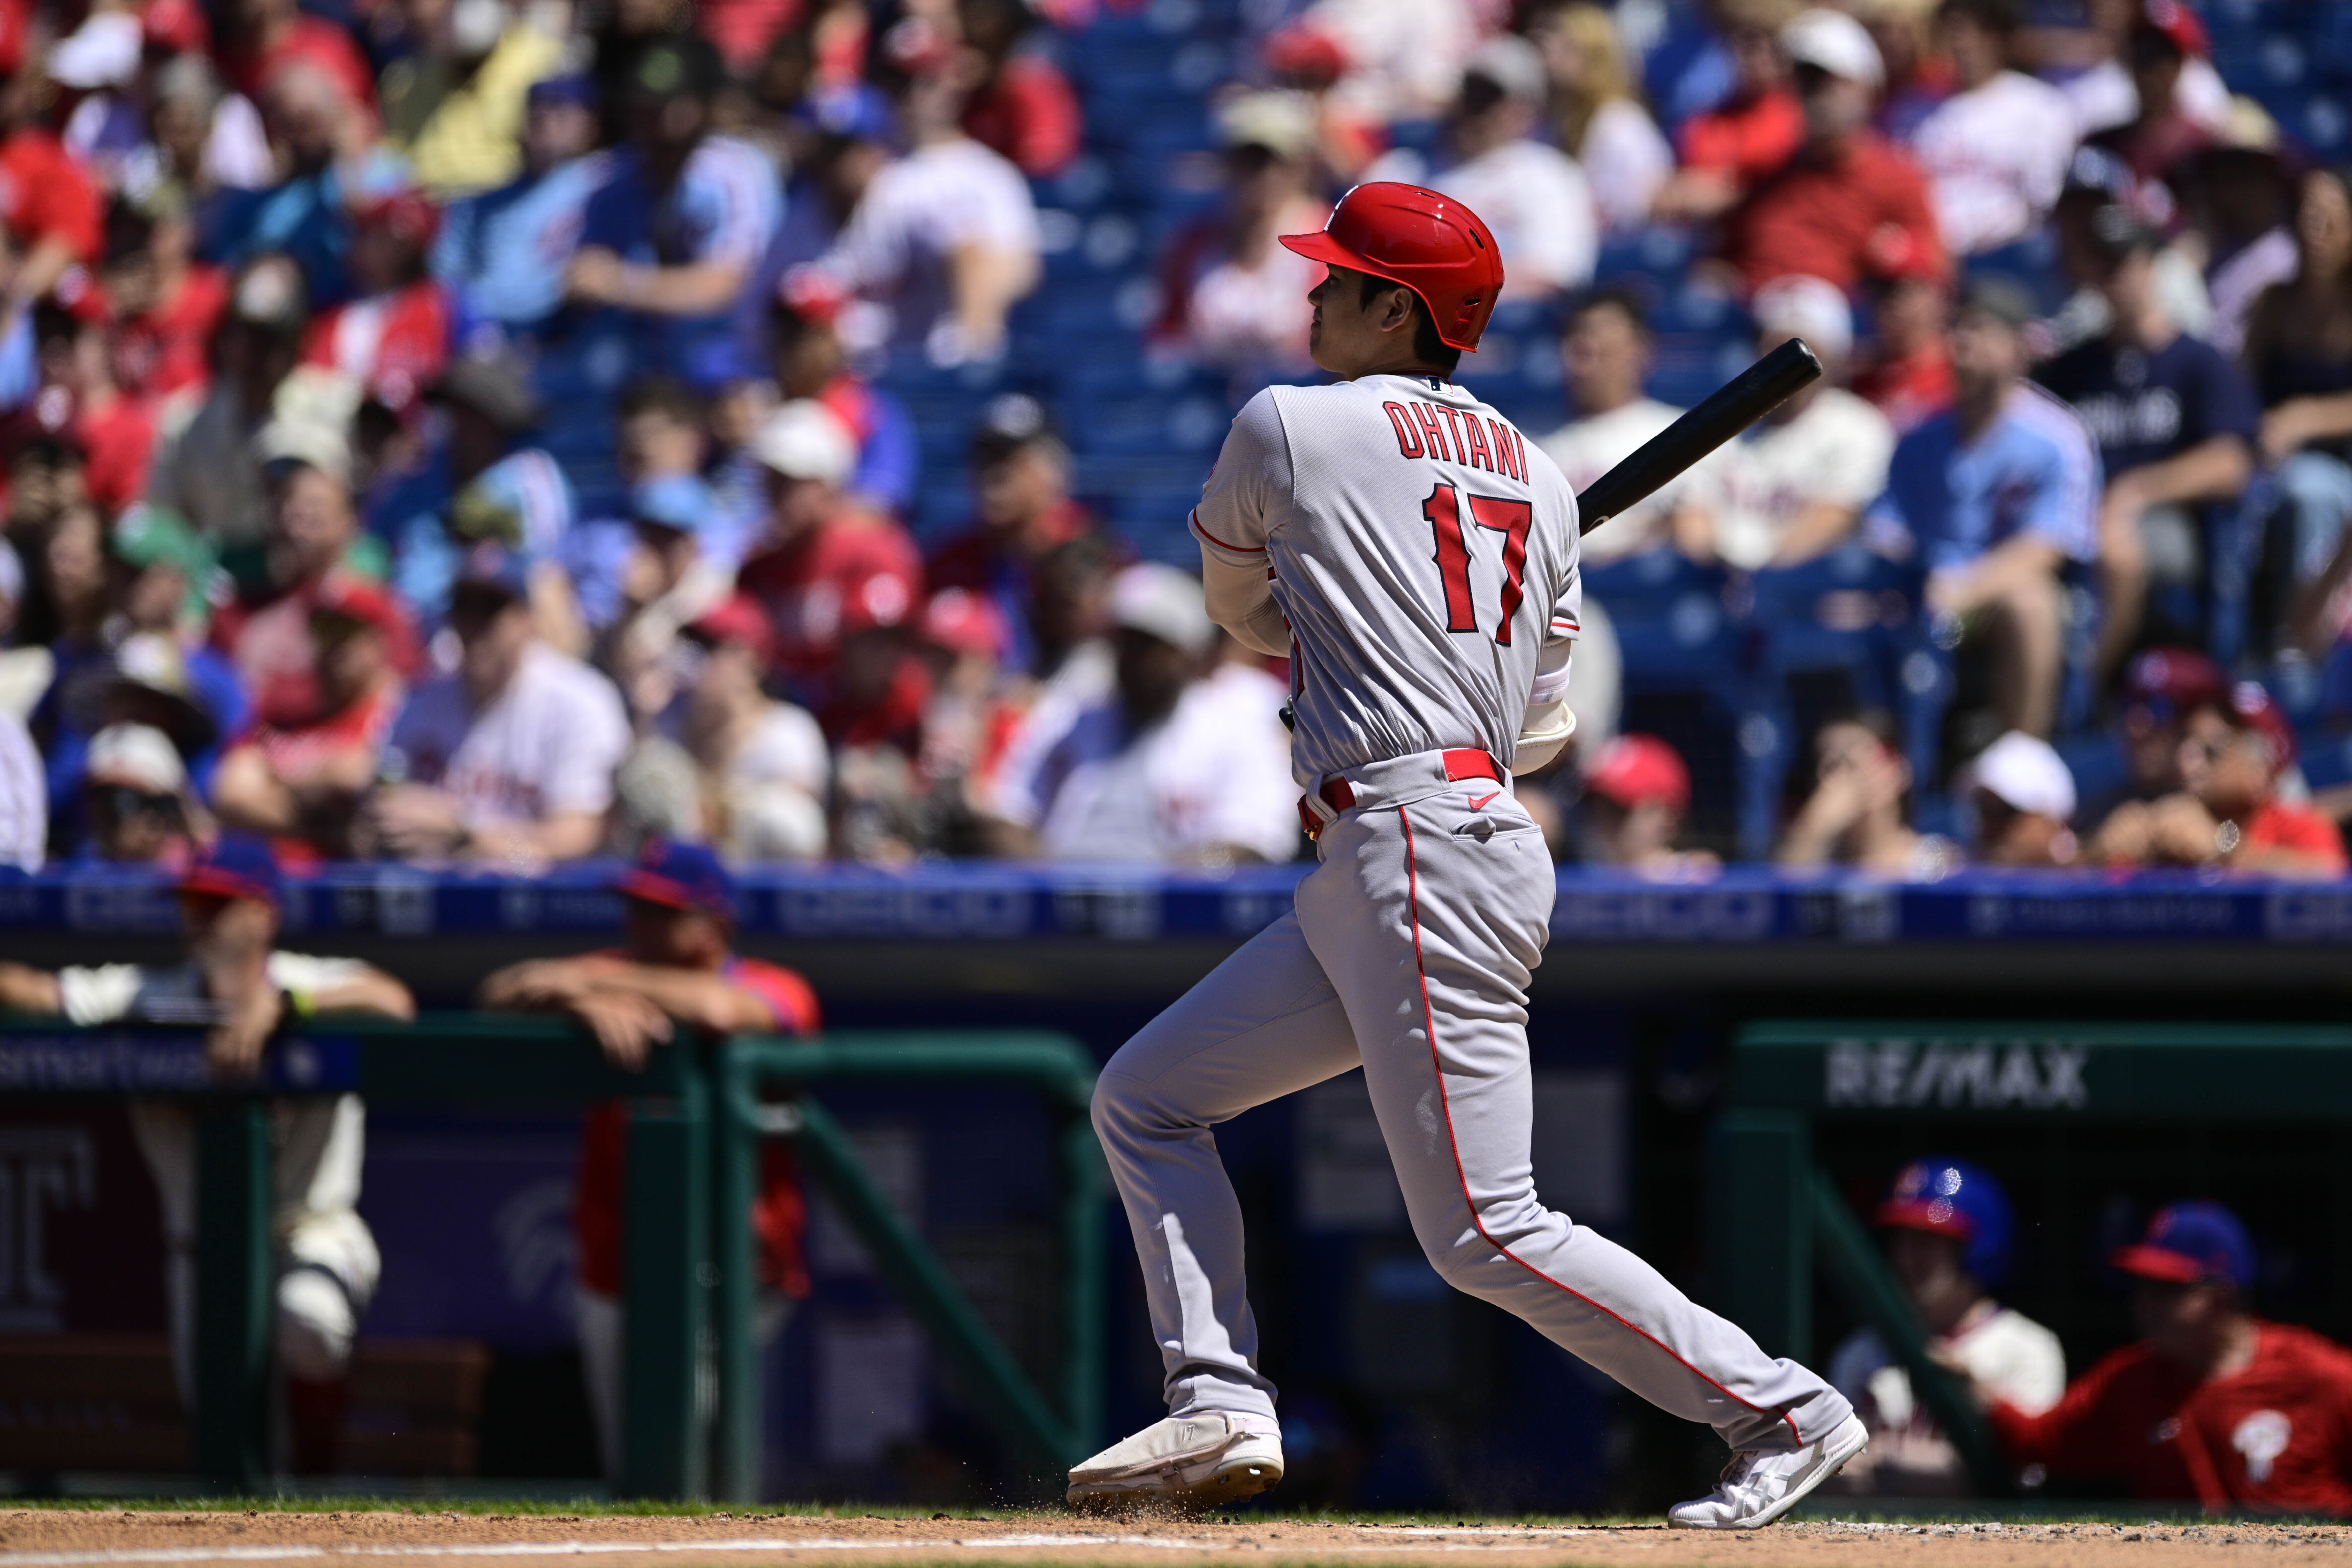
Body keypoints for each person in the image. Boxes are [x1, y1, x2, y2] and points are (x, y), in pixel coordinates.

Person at [1074, 180, 1867, 1525]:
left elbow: (1244, 613)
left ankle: (1780, 1405)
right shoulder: (1538, 477)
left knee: (1486, 1228)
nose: (1316, 295)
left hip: (1418, 841)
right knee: (1147, 1097)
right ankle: (1216, 1399)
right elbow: (1543, 727)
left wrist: (1354, 629)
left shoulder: (1289, 423)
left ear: (1403, 306)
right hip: (1412, 839)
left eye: (1341, 279)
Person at [0, 835, 415, 1474]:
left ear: (263, 914)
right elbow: (37, 995)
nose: (198, 916)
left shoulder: (305, 980)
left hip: (308, 1232)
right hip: (201, 1252)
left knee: (309, 1320)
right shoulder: (144, 991)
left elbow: (395, 1000)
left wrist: (283, 1006)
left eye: (217, 903)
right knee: (235, 1459)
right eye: (191, 901)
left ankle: (321, 1447)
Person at [478, 839, 817, 1483]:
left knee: (713, 1457)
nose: (639, 924)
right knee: (636, 1466)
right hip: (617, 1260)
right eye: (634, 907)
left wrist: (591, 980)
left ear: (714, 922)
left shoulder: (772, 984)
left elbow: (722, 1010)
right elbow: (500, 990)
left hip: (740, 1266)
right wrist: (575, 1001)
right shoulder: (605, 972)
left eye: (661, 911)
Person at [1982, 1201, 2352, 1513]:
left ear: (2221, 1298)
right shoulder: (2130, 1378)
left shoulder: (2318, 1374)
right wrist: (1972, 1388)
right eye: (2142, 1286)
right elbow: (2036, 1443)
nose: (2145, 1304)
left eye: (2167, 1289)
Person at [1866, 277, 2100, 739]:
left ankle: (2023, 759)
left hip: (1995, 592)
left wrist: (1963, 590)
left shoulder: (2057, 434)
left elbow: (2048, 546)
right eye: (1955, 329)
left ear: (2019, 346)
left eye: (1979, 329)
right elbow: (1885, 532)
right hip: (1921, 590)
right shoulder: (1919, 435)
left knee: (2030, 601)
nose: (1962, 342)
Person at [2037, 206, 2258, 676]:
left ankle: (2089, 688)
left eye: (2124, 262)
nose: (2113, 276)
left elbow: (2231, 464)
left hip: (2165, 518)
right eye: (2102, 264)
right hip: (2074, 519)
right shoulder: (2072, 371)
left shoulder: (2196, 360)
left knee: (2118, 550)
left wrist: (2137, 490)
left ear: (2153, 267)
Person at [984, 564, 1297, 866]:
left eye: (1148, 645)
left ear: (1187, 654)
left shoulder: (1232, 725)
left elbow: (1257, 835)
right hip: (1066, 890)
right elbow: (1007, 810)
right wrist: (1048, 883)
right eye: (1123, 641)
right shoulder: (1068, 715)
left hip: (1181, 908)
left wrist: (1160, 889)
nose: (1131, 656)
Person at [366, 541, 630, 866]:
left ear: (527, 621)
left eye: (490, 611)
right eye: (464, 608)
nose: (476, 626)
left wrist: (470, 836)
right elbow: (379, 805)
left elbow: (575, 841)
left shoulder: (579, 702)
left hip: (538, 904)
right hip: (431, 899)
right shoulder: (416, 702)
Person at [1828, 1158, 2062, 1495]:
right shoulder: (1860, 1349)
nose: (1908, 1257)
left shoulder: (2029, 1347)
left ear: (1979, 1248)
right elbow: (1827, 1469)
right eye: (1901, 1240)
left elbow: (2030, 1474)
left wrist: (1887, 1464)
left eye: (1927, 1241)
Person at [811, 30, 1040, 365]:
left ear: (951, 84)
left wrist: (970, 343)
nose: (909, 95)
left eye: (925, 81)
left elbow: (1017, 271)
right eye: (897, 82)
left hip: (932, 361)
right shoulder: (860, 159)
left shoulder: (986, 175)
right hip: (855, 362)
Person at [566, 35, 778, 393]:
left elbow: (726, 284)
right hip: (638, 354)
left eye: (668, 105)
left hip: (733, 355)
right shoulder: (614, 175)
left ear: (702, 105)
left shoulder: (734, 171)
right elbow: (582, 270)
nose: (652, 117)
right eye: (643, 104)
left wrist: (621, 282)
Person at [1717, 10, 1945, 296]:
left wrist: (1896, 257)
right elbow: (1725, 256)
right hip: (1757, 323)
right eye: (1802, 81)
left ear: (1865, 88)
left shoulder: (1896, 179)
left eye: (1824, 81)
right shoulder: (1769, 175)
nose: (1812, 94)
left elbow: (1934, 272)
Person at [1684, 275, 1896, 568]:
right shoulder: (1720, 422)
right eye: (1776, 349)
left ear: (1831, 356)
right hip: (1718, 581)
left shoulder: (1859, 426)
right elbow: (1692, 520)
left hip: (1809, 588)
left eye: (1801, 353)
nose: (1787, 368)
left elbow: (1834, 519)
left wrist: (1755, 576)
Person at [1364, 35, 1596, 301]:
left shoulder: (1550, 176)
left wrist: (1446, 288)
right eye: (1470, 93)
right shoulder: (1398, 170)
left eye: (1490, 98)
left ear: (1527, 112)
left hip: (1494, 326)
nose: (1475, 108)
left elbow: (1554, 275)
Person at [735, 399, 926, 706]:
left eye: (790, 482)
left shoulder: (875, 552)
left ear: (827, 484)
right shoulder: (758, 566)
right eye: (771, 480)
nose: (777, 494)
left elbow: (888, 665)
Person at [212, 575, 407, 858]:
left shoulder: (396, 708)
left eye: (347, 631)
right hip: (282, 883)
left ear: (378, 639)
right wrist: (322, 815)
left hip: (349, 884)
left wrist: (279, 781)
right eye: (325, 630)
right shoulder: (296, 712)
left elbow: (354, 775)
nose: (335, 647)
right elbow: (232, 792)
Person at [2244, 169, 2352, 656]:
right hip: (2269, 464)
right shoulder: (2272, 304)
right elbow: (2242, 389)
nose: (2315, 233)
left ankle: (2304, 650)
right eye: (2307, 219)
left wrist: (2308, 417)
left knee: (2306, 490)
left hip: (2337, 472)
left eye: (2329, 221)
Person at [2086, 681, 2347, 879]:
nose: (2189, 760)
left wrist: (2224, 847)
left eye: (2211, 750)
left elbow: (2330, 878)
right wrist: (2099, 852)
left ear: (2261, 768)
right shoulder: (2167, 823)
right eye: (2185, 744)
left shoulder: (2299, 826)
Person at [1151, 91, 1330, 377]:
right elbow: (1167, 338)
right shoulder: (1191, 244)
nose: (1262, 175)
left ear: (1300, 167)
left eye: (1274, 161)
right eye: (1248, 161)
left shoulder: (1330, 242)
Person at [431, 73, 609, 343]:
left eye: (561, 113)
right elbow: (445, 265)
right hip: (481, 330)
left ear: (591, 126)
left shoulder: (602, 183)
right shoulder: (486, 199)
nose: (546, 120)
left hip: (556, 330)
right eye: (537, 111)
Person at [927, 395, 1096, 675]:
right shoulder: (948, 561)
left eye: (1010, 461)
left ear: (1053, 472)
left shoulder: (1086, 548)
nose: (992, 475)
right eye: (984, 461)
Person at [1539, 288, 1710, 565]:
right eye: (1579, 350)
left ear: (1639, 351)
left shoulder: (1684, 434)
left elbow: (1699, 542)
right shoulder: (1538, 448)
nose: (1584, 365)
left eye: (1601, 351)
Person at [1903, 0, 2077, 258]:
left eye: (1963, 29)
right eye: (1947, 30)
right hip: (1929, 259)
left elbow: (2045, 205)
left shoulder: (2041, 108)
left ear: (1995, 35)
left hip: (2008, 257)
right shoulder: (1912, 111)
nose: (1956, 43)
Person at [668, 594, 829, 863]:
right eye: (692, 645)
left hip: (767, 895)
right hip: (686, 895)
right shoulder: (670, 722)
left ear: (752, 658)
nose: (697, 659)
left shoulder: (789, 732)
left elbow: (801, 842)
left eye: (711, 647)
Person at [1651, 0, 1804, 225]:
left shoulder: (1796, 118)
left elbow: (1771, 189)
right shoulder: (1708, 117)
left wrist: (1724, 194)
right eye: (1739, 44)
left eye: (1756, 45)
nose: (1746, 56)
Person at [1529, 3, 1674, 234]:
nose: (1547, 58)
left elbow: (1645, 208)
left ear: (1594, 57)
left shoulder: (1622, 125)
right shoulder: (1547, 124)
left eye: (1565, 48)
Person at [1776, 710, 1957, 878]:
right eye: (1823, 765)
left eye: (1845, 763)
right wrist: (1815, 827)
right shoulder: (1815, 862)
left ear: (1896, 769)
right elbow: (1781, 893)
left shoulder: (1936, 863)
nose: (1830, 781)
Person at [1573, 733, 1719, 880]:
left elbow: (1704, 869)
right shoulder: (1581, 875)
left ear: (1670, 818)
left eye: (1619, 810)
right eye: (1595, 809)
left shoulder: (1690, 875)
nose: (1604, 822)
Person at [1955, 730, 2079, 867]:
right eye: (1984, 812)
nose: (1990, 829)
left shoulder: (2095, 881)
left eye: (2006, 812)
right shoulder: (1958, 869)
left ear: (2056, 823)